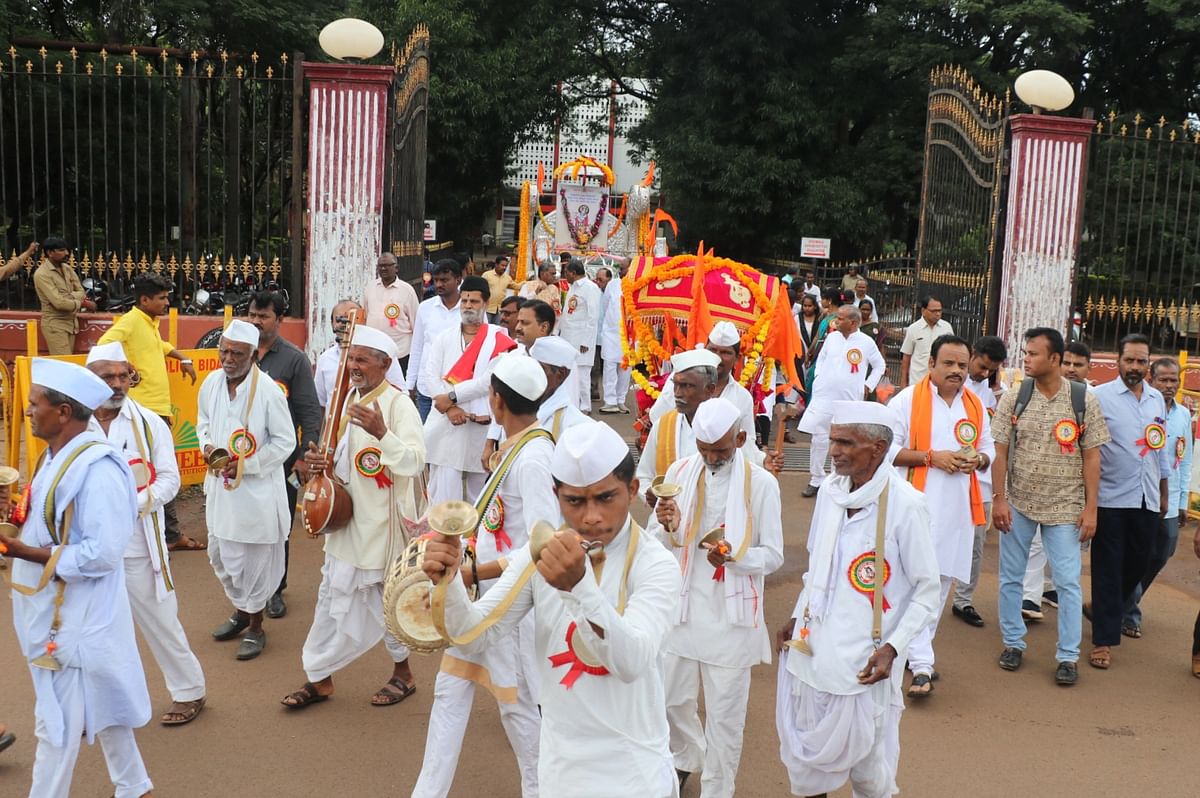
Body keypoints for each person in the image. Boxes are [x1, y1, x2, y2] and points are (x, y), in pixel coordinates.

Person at [420, 420, 683, 797]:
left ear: (633, 489)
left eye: (606, 498)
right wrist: (448, 580)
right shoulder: (540, 553)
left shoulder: (655, 564)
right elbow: (474, 633)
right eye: (575, 501)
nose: (591, 515)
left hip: (633, 770)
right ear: (556, 494)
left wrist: (579, 588)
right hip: (560, 770)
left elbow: (632, 661)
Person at [1, 358, 153, 797]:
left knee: (55, 727)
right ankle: (134, 787)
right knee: (102, 709)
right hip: (52, 611)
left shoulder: (99, 469)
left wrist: (26, 551)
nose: (27, 411)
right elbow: (49, 524)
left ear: (63, 413)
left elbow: (102, 554)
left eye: (34, 404)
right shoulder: (55, 457)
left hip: (74, 622)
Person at [776, 400, 940, 798]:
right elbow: (817, 568)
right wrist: (797, 615)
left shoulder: (906, 504)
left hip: (866, 666)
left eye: (846, 443)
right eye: (833, 441)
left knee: (870, 776)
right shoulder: (831, 494)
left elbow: (927, 591)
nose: (834, 451)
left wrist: (893, 649)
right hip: (812, 654)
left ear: (878, 449)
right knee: (805, 769)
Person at [411, 354, 557, 798]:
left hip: (507, 608)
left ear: (496, 401)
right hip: (477, 601)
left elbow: (542, 548)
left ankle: (542, 791)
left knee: (518, 713)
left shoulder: (532, 457)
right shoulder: (517, 446)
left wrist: (476, 570)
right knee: (448, 696)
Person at [282, 325, 426, 710]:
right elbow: (340, 459)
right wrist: (319, 463)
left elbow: (414, 462)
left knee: (387, 602)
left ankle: (403, 674)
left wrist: (383, 434)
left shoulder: (399, 406)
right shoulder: (345, 399)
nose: (355, 366)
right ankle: (320, 678)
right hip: (346, 523)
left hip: (382, 527)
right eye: (352, 359)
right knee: (330, 599)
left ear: (386, 363)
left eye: (363, 359)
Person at [648, 398, 784, 795]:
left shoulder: (762, 484)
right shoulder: (680, 471)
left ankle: (717, 790)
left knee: (724, 719)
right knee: (671, 703)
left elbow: (774, 555)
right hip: (683, 609)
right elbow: (660, 541)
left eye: (720, 451)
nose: (711, 459)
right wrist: (663, 524)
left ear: (741, 439)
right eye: (704, 450)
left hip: (731, 619)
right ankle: (688, 757)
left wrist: (735, 556)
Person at [86, 343, 206, 727]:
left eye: (124, 376)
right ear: (91, 379)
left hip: (139, 545)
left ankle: (190, 692)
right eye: (109, 377)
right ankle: (111, 703)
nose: (119, 384)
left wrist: (134, 502)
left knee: (161, 622)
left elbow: (170, 480)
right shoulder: (76, 424)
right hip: (92, 548)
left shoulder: (148, 423)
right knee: (99, 629)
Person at [991, 327, 1109, 685]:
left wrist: (1091, 508)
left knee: (1068, 582)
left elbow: (1092, 457)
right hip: (1019, 503)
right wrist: (999, 499)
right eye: (1025, 353)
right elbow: (999, 451)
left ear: (1054, 359)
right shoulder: (1016, 395)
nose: (1026, 359)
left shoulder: (1082, 399)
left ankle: (1067, 657)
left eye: (1033, 354)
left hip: (1064, 508)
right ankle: (1013, 642)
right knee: (1011, 577)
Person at [887, 335, 994, 697]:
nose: (956, 371)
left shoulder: (976, 406)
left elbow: (987, 450)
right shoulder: (906, 401)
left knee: (940, 585)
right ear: (931, 364)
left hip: (957, 511)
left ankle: (916, 659)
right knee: (907, 585)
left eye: (962, 365)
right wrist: (932, 458)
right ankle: (913, 659)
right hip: (913, 507)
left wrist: (976, 460)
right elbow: (887, 451)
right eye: (948, 363)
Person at [197, 319, 295, 661]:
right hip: (222, 491)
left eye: (236, 353)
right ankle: (241, 611)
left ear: (253, 355)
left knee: (253, 562)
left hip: (256, 494)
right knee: (221, 555)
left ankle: (255, 625)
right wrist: (207, 446)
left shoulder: (268, 391)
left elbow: (286, 442)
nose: (227, 358)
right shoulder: (211, 383)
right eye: (223, 350)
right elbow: (203, 422)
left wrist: (248, 465)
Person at [98, 271, 201, 552]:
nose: (167, 302)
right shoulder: (131, 321)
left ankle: (167, 533)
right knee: (158, 472)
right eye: (162, 298)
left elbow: (159, 345)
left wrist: (183, 358)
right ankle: (169, 535)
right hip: (145, 411)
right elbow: (104, 344)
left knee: (159, 470)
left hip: (157, 409)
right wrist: (126, 367)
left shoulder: (149, 322)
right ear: (144, 299)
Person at [1086, 333, 1170, 671]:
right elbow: (1088, 449)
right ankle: (1103, 642)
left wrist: (1163, 492)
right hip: (1110, 497)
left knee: (1139, 563)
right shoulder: (1099, 398)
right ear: (1117, 362)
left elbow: (1160, 449)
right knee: (1107, 567)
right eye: (1130, 360)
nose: (1135, 367)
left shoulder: (1156, 400)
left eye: (1141, 361)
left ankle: (1103, 607)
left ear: (1148, 363)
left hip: (1147, 497)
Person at [248, 290, 321, 619]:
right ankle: (249, 590)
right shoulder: (239, 354)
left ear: (280, 320)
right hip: (243, 461)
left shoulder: (294, 359)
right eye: (252, 314)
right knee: (246, 522)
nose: (256, 321)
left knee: (278, 524)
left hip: (283, 459)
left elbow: (308, 412)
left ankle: (276, 588)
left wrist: (305, 456)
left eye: (264, 316)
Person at [423, 276, 516, 504]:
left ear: (485, 304)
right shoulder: (444, 338)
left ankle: (474, 540)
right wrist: (450, 408)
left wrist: (453, 397)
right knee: (444, 490)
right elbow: (430, 376)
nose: (468, 306)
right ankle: (442, 538)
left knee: (479, 494)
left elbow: (489, 380)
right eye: (464, 301)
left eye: (474, 301)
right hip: (447, 421)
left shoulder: (498, 338)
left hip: (480, 423)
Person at [1022, 339, 1095, 618]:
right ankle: (1029, 598)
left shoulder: (1090, 399)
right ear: (1058, 362)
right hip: (1038, 485)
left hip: (1074, 490)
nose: (1072, 369)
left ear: (1090, 368)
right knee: (1036, 543)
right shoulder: (1036, 393)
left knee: (1068, 547)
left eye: (1079, 364)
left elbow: (1094, 451)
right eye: (1068, 363)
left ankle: (1051, 589)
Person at [1122, 357, 1191, 638]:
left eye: (1173, 380)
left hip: (1171, 498)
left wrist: (1183, 500)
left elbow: (1184, 458)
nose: (1169, 385)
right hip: (1140, 496)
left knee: (1163, 552)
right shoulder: (1142, 408)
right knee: (1135, 554)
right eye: (1163, 379)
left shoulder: (1184, 415)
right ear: (1150, 379)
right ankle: (1128, 612)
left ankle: (1125, 599)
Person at [637, 350, 768, 497]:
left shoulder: (727, 426)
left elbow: (751, 463)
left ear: (709, 389)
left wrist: (766, 461)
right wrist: (653, 496)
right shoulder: (663, 425)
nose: (678, 393)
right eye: (676, 385)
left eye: (687, 386)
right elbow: (643, 476)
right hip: (666, 517)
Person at [797, 305, 886, 498]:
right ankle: (816, 479)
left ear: (853, 323)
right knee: (819, 438)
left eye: (841, 318)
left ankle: (837, 480)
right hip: (823, 396)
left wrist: (868, 385)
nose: (835, 321)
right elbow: (821, 359)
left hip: (848, 400)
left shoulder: (866, 342)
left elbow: (880, 365)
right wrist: (820, 375)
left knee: (844, 441)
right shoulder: (832, 337)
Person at [951, 335, 1008, 628]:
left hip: (981, 479)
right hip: (946, 474)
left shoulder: (996, 393)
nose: (984, 373)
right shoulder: (950, 385)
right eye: (982, 366)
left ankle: (963, 599)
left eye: (991, 370)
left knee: (975, 542)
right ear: (974, 353)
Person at [649, 322, 757, 442]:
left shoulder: (743, 397)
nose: (717, 357)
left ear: (737, 358)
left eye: (725, 352)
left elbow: (748, 442)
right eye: (713, 350)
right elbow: (656, 417)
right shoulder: (681, 379)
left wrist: (763, 459)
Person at [314, 300, 405, 412]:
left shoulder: (380, 355)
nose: (345, 323)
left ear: (363, 322)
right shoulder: (325, 359)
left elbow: (399, 392)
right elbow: (321, 403)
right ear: (332, 324)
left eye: (351, 319)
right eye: (339, 319)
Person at [407, 259, 463, 422]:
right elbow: (417, 347)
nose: (439, 284)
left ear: (458, 280)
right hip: (426, 389)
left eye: (444, 280)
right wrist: (409, 384)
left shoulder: (470, 308)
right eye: (436, 280)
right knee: (426, 439)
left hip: (457, 389)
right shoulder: (425, 308)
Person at [33, 236, 95, 355]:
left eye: (66, 250)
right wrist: (81, 303)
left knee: (68, 364)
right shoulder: (42, 274)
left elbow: (81, 292)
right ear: (50, 253)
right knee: (63, 365)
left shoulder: (67, 268)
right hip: (55, 324)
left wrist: (67, 296)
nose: (66, 253)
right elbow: (59, 303)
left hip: (72, 323)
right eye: (61, 250)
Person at [363, 252, 420, 374]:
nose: (383, 268)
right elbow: (366, 315)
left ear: (396, 268)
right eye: (380, 266)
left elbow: (416, 323)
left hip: (400, 352)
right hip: (375, 351)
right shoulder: (370, 287)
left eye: (388, 265)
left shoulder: (407, 290)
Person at [559, 260, 604, 413]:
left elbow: (593, 317)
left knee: (583, 375)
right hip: (569, 338)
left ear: (572, 273)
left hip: (582, 340)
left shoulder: (590, 288)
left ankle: (585, 407)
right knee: (570, 374)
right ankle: (573, 405)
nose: (565, 276)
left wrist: (586, 341)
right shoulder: (573, 287)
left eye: (566, 273)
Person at [530, 335, 593, 437]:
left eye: (541, 369)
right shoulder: (523, 406)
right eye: (531, 367)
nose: (533, 374)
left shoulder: (575, 425)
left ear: (561, 374)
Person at [599, 260, 632, 414]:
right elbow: (605, 306)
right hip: (611, 333)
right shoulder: (613, 284)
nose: (620, 271)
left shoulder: (639, 283)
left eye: (623, 268)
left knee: (625, 369)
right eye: (619, 268)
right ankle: (610, 401)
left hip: (630, 334)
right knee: (610, 367)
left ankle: (621, 400)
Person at [898, 296, 953, 389]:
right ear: (923, 311)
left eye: (939, 311)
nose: (937, 314)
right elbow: (906, 357)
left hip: (939, 383)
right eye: (934, 311)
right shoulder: (913, 329)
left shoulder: (947, 328)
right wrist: (903, 383)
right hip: (918, 381)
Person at [483, 256, 515, 322]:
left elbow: (516, 286)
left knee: (498, 329)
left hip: (499, 310)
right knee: (487, 328)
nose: (504, 268)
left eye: (506, 266)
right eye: (502, 265)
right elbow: (480, 289)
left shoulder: (507, 278)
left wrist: (527, 282)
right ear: (496, 265)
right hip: (487, 308)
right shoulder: (487, 275)